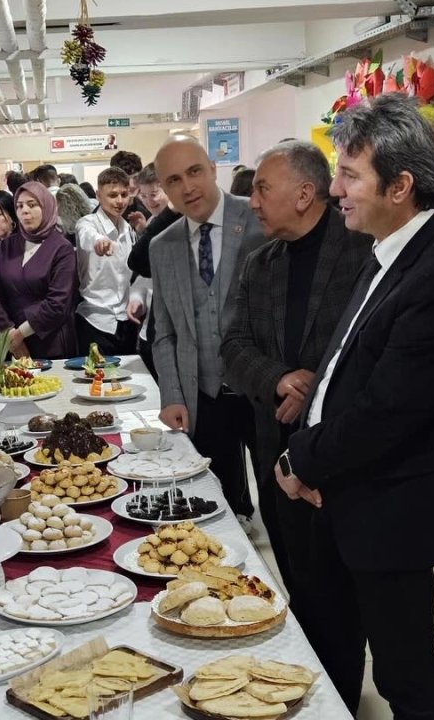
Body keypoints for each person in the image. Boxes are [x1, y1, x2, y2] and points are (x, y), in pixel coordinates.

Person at [273, 94, 434, 719]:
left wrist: (300, 459)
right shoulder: (393, 248)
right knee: (333, 639)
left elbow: (388, 412)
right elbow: (345, 361)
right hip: (349, 489)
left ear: (400, 186)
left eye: (348, 175)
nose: (334, 189)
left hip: (393, 501)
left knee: (404, 669)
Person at [221, 141, 371, 631]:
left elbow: (372, 350)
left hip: (342, 460)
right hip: (274, 451)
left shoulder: (363, 253)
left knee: (344, 603)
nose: (254, 201)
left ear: (305, 193)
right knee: (299, 585)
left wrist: (317, 388)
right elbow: (235, 346)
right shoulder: (260, 264)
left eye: (263, 189)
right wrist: (281, 380)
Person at [149, 136, 266, 525]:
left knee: (283, 500)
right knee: (214, 504)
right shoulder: (162, 245)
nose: (187, 187)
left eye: (195, 171)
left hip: (263, 388)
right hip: (203, 391)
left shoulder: (258, 220)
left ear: (213, 169)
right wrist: (171, 395)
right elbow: (163, 331)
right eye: (174, 180)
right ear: (164, 188)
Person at [0, 181, 78, 359]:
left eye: (32, 205)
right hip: (9, 341)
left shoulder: (61, 248)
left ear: (47, 207)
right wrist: (8, 333)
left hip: (49, 340)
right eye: (19, 206)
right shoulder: (8, 245)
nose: (24, 210)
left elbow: (58, 303)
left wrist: (20, 335)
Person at [74, 166, 140, 356]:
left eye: (124, 194)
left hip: (125, 321)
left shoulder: (128, 229)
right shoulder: (87, 223)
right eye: (112, 195)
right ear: (98, 195)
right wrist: (99, 241)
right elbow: (88, 236)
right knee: (94, 383)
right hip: (94, 320)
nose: (119, 201)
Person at [127, 162, 182, 378]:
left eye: (155, 193)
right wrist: (138, 296)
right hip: (155, 324)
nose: (150, 200)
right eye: (144, 195)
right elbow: (143, 266)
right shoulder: (156, 220)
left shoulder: (177, 219)